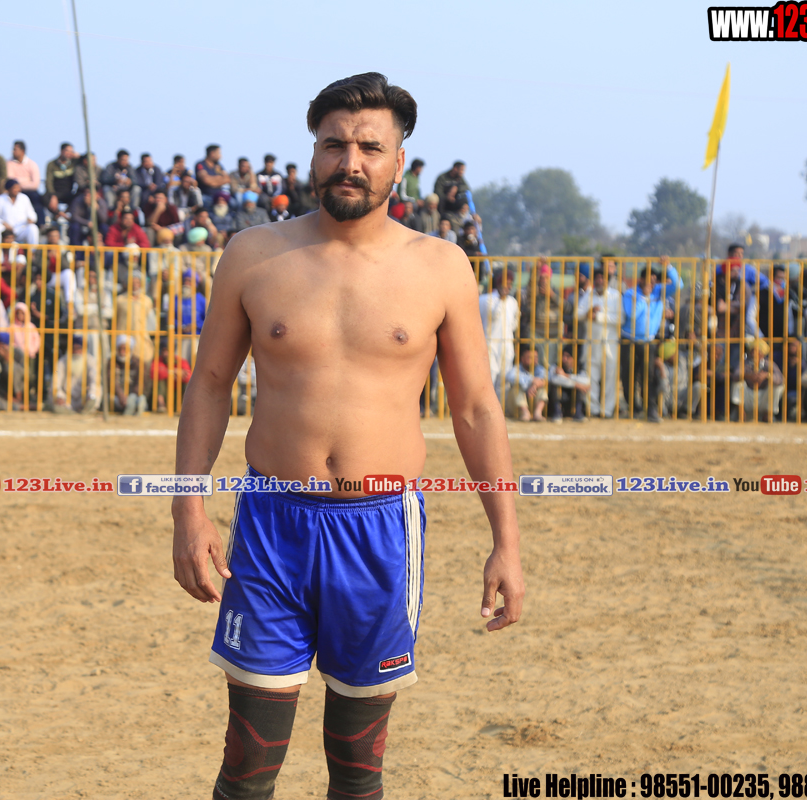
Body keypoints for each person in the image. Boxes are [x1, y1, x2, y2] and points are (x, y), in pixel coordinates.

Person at [171, 73, 523, 800]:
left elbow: (475, 410)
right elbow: (208, 385)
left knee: (359, 771)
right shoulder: (253, 254)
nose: (350, 162)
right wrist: (188, 511)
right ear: (313, 153)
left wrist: (506, 543)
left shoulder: (439, 267)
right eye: (334, 145)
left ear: (400, 161)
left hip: (380, 532)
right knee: (247, 766)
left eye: (369, 147)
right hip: (271, 525)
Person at [621, 261, 681, 421]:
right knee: (628, 375)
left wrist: (668, 267)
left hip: (648, 341)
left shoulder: (659, 291)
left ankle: (651, 409)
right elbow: (632, 314)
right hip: (629, 340)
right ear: (641, 280)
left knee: (648, 375)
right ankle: (633, 407)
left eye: (654, 280)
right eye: (649, 280)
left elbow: (678, 285)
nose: (652, 283)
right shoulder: (630, 294)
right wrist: (644, 298)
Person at [574, 261, 622, 418]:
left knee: (610, 377)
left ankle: (607, 410)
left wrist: (599, 316)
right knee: (591, 377)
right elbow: (577, 314)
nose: (600, 281)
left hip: (610, 344)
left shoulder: (615, 295)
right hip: (591, 344)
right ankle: (593, 409)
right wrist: (589, 312)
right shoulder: (588, 295)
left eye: (603, 278)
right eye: (598, 278)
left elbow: (621, 318)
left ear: (608, 280)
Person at [478, 266, 518, 398]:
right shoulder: (487, 299)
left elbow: (514, 324)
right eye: (506, 283)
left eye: (510, 283)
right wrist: (501, 299)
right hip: (490, 343)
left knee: (504, 379)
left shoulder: (512, 302)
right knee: (490, 376)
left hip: (507, 344)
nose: (508, 286)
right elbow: (494, 316)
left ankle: (501, 407)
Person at [506, 343, 548, 421]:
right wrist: (531, 380)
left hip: (532, 403)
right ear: (522, 359)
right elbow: (510, 377)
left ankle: (538, 413)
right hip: (516, 409)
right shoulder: (516, 368)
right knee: (516, 387)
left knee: (542, 388)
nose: (534, 360)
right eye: (530, 357)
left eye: (536, 357)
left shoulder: (540, 369)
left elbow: (544, 379)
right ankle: (525, 413)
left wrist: (534, 386)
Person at [0, 179, 39, 245]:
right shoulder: (0, 199)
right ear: (8, 189)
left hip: (21, 229)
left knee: (33, 228)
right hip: (6, 230)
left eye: (18, 187)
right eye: (14, 188)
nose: (17, 190)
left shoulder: (24, 198)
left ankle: (33, 251)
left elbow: (32, 214)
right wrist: (4, 223)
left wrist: (31, 219)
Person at [112, 333, 146, 415]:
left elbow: (141, 382)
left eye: (125, 349)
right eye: (120, 349)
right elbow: (112, 381)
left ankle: (136, 407)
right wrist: (121, 395)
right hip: (118, 396)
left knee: (140, 399)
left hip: (133, 395)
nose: (122, 352)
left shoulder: (138, 363)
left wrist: (132, 395)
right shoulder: (112, 362)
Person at [6, 140, 42, 210]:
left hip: (30, 191)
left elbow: (35, 185)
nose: (12, 151)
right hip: (14, 191)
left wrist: (19, 184)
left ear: (22, 151)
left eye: (15, 149)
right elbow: (11, 180)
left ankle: (40, 217)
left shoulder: (32, 164)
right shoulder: (9, 163)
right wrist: (27, 180)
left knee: (37, 199)